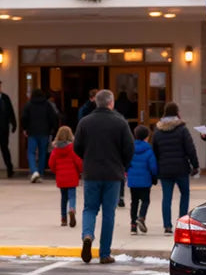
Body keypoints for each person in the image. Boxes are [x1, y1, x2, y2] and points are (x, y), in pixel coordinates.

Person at [73, 89, 134, 264]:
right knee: (109, 213)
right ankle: (104, 253)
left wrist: (88, 157)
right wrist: (123, 164)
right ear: (111, 103)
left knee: (89, 209)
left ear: (96, 102)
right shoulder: (120, 122)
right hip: (113, 174)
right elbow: (129, 148)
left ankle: (87, 235)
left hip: (91, 172)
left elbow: (77, 146)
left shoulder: (85, 122)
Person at [151, 102, 200, 234]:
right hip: (181, 168)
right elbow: (190, 148)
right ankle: (181, 223)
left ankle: (167, 226)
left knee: (166, 197)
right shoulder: (182, 129)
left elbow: (154, 151)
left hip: (164, 169)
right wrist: (195, 165)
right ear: (177, 112)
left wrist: (155, 169)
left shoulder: (158, 130)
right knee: (185, 194)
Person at [21, 88, 59, 182]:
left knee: (31, 152)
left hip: (32, 132)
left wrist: (25, 128)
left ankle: (34, 171)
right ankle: (41, 173)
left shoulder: (29, 105)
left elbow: (24, 117)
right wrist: (53, 129)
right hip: (44, 132)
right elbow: (53, 117)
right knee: (43, 153)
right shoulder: (47, 105)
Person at [48, 125, 82, 227]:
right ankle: (72, 209)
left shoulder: (55, 150)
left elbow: (51, 164)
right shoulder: (72, 148)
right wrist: (81, 171)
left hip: (61, 178)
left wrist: (57, 171)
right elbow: (78, 162)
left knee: (63, 198)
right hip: (72, 177)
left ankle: (63, 218)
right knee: (72, 196)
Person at [126, 124, 157, 235]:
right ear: (147, 137)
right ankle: (142, 217)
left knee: (134, 202)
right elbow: (152, 166)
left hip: (133, 181)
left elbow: (127, 163)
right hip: (145, 181)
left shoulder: (130, 148)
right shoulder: (149, 149)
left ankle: (133, 226)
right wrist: (154, 177)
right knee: (145, 200)